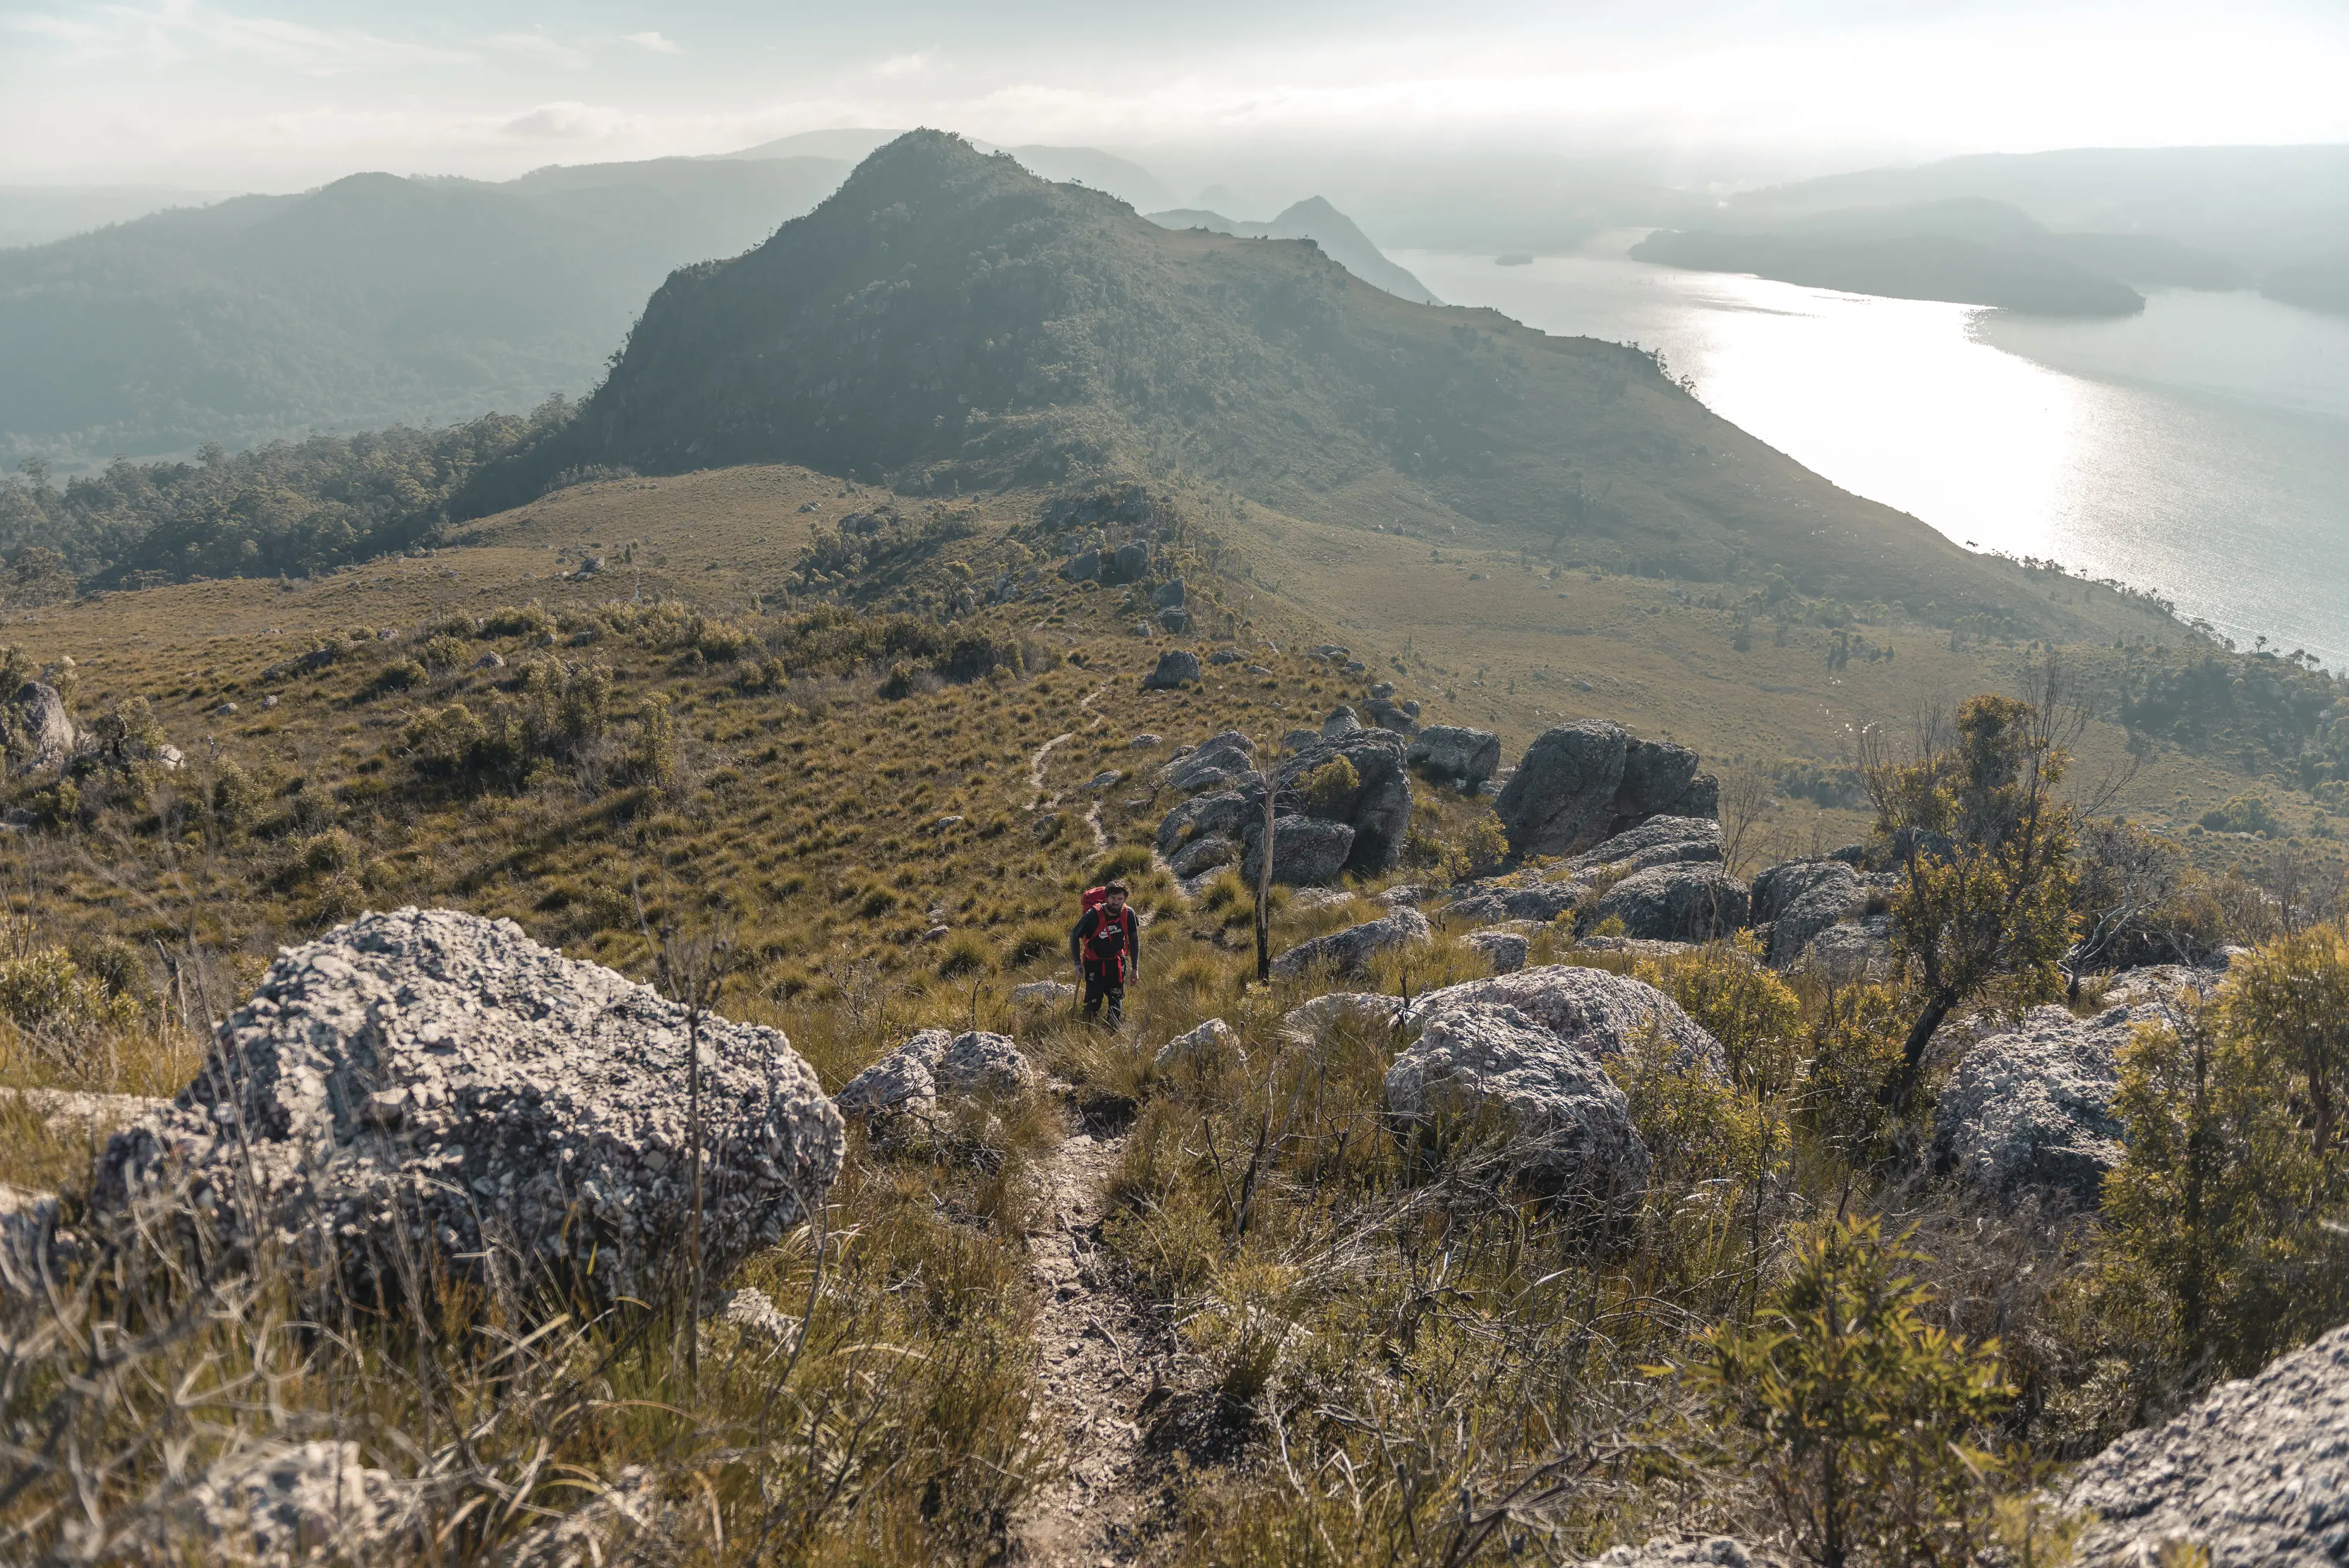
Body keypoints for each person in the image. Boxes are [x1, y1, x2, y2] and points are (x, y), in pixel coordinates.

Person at [1070, 881, 1140, 1026]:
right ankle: (1087, 1032)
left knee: (1116, 1004)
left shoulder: (1129, 914)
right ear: (1106, 897)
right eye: (1113, 898)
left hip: (1116, 965)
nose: (1116, 902)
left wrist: (1135, 968)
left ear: (1125, 899)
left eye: (1120, 899)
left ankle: (1112, 1033)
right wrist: (1077, 963)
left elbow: (1134, 940)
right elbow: (1074, 935)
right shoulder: (1093, 915)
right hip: (1094, 964)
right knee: (1093, 1003)